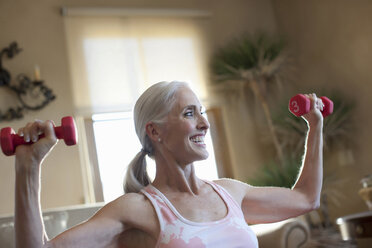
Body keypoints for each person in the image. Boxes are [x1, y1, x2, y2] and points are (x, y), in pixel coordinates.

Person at [14, 81, 324, 248]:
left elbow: (307, 199)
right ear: (155, 131)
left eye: (202, 111)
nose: (204, 122)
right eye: (190, 113)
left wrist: (316, 126)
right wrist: (28, 169)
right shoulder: (138, 209)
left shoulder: (231, 193)